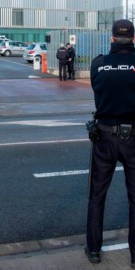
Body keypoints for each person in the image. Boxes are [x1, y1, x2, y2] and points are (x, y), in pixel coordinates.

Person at [85, 19, 135, 269]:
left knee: (97, 197)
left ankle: (94, 250)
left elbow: (97, 89)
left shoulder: (99, 63)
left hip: (104, 136)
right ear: (133, 39)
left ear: (112, 38)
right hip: (134, 137)